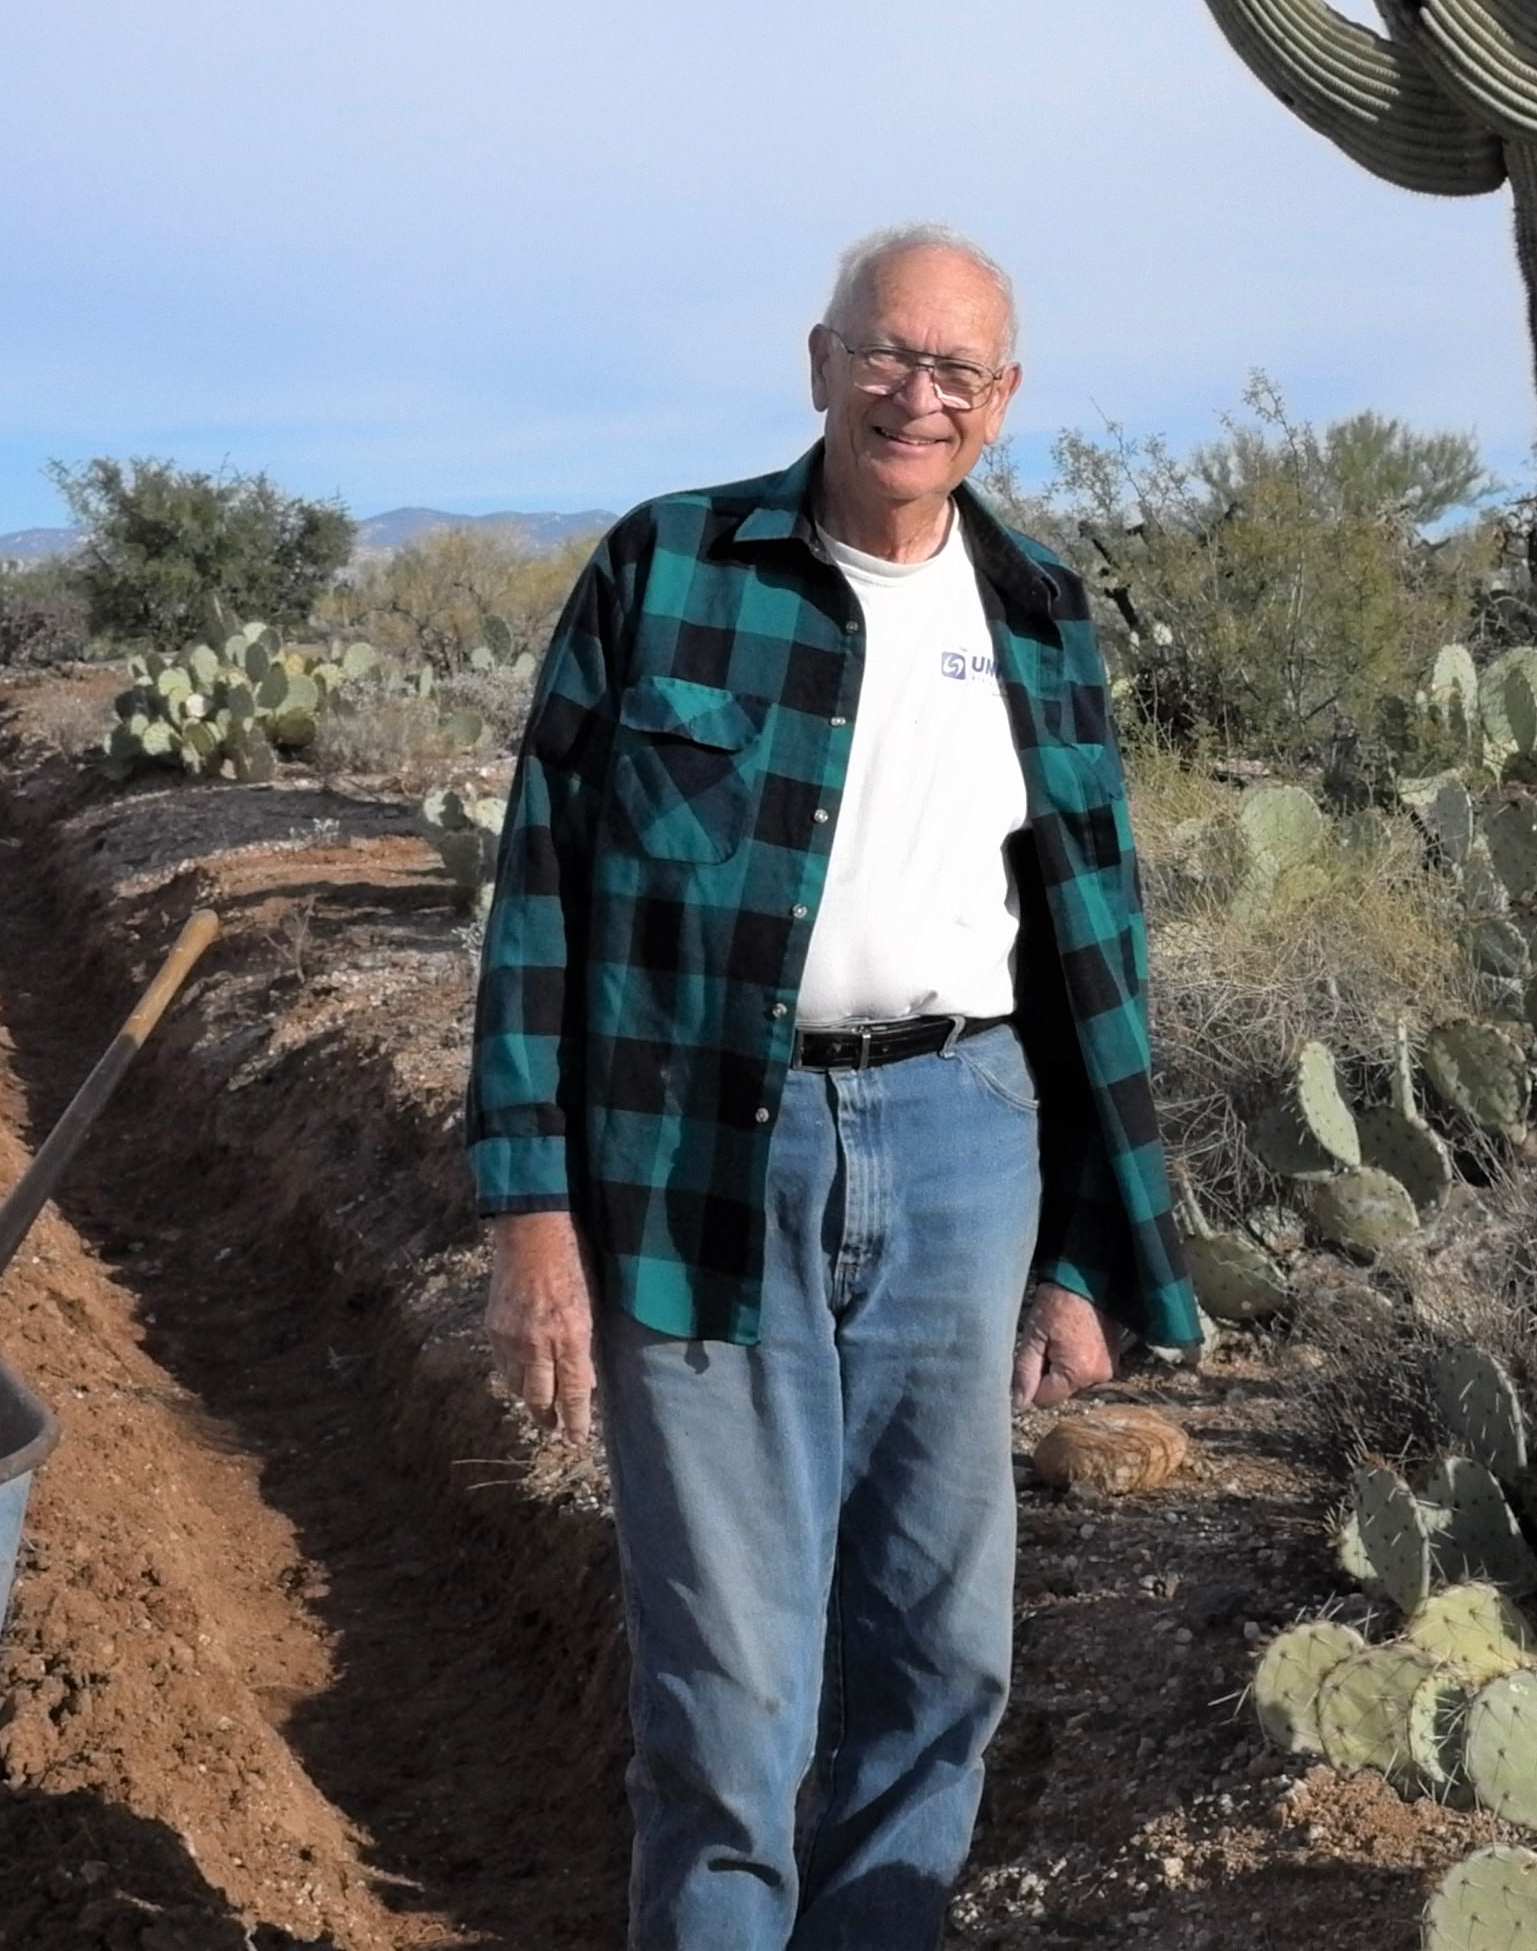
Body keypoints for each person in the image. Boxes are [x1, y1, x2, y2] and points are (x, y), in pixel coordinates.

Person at [468, 224, 1201, 1951]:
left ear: (1002, 400)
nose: (915, 396)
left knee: (939, 1660)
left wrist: (1087, 1252)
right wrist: (529, 1216)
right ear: (819, 361)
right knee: (731, 1692)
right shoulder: (668, 565)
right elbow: (542, 899)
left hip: (968, 1140)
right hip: (702, 1153)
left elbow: (1093, 953)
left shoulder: (1040, 614)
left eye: (956, 371)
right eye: (887, 354)